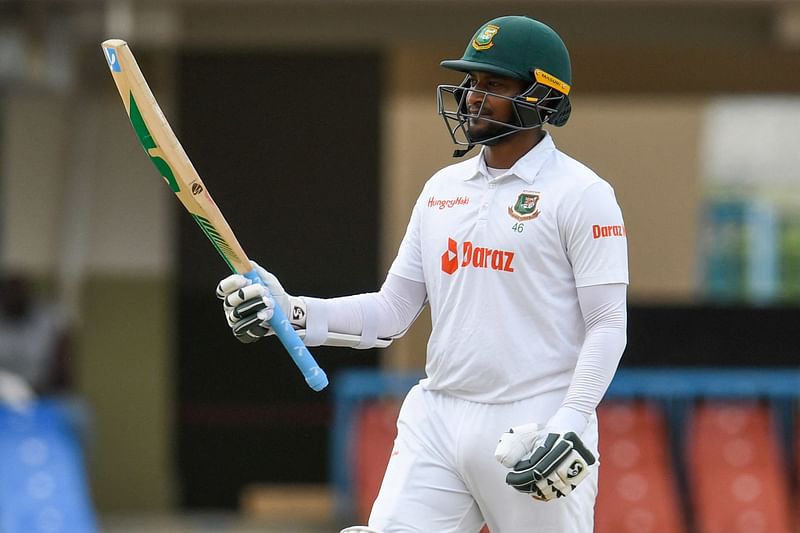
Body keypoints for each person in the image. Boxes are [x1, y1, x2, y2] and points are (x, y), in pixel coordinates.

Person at [216, 15, 628, 533]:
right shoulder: (442, 189)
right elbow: (391, 313)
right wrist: (291, 310)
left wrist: (571, 421)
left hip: (533, 424)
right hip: (438, 414)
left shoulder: (583, 195)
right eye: (471, 82)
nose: (473, 97)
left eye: (494, 85)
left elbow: (608, 323)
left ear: (542, 97)